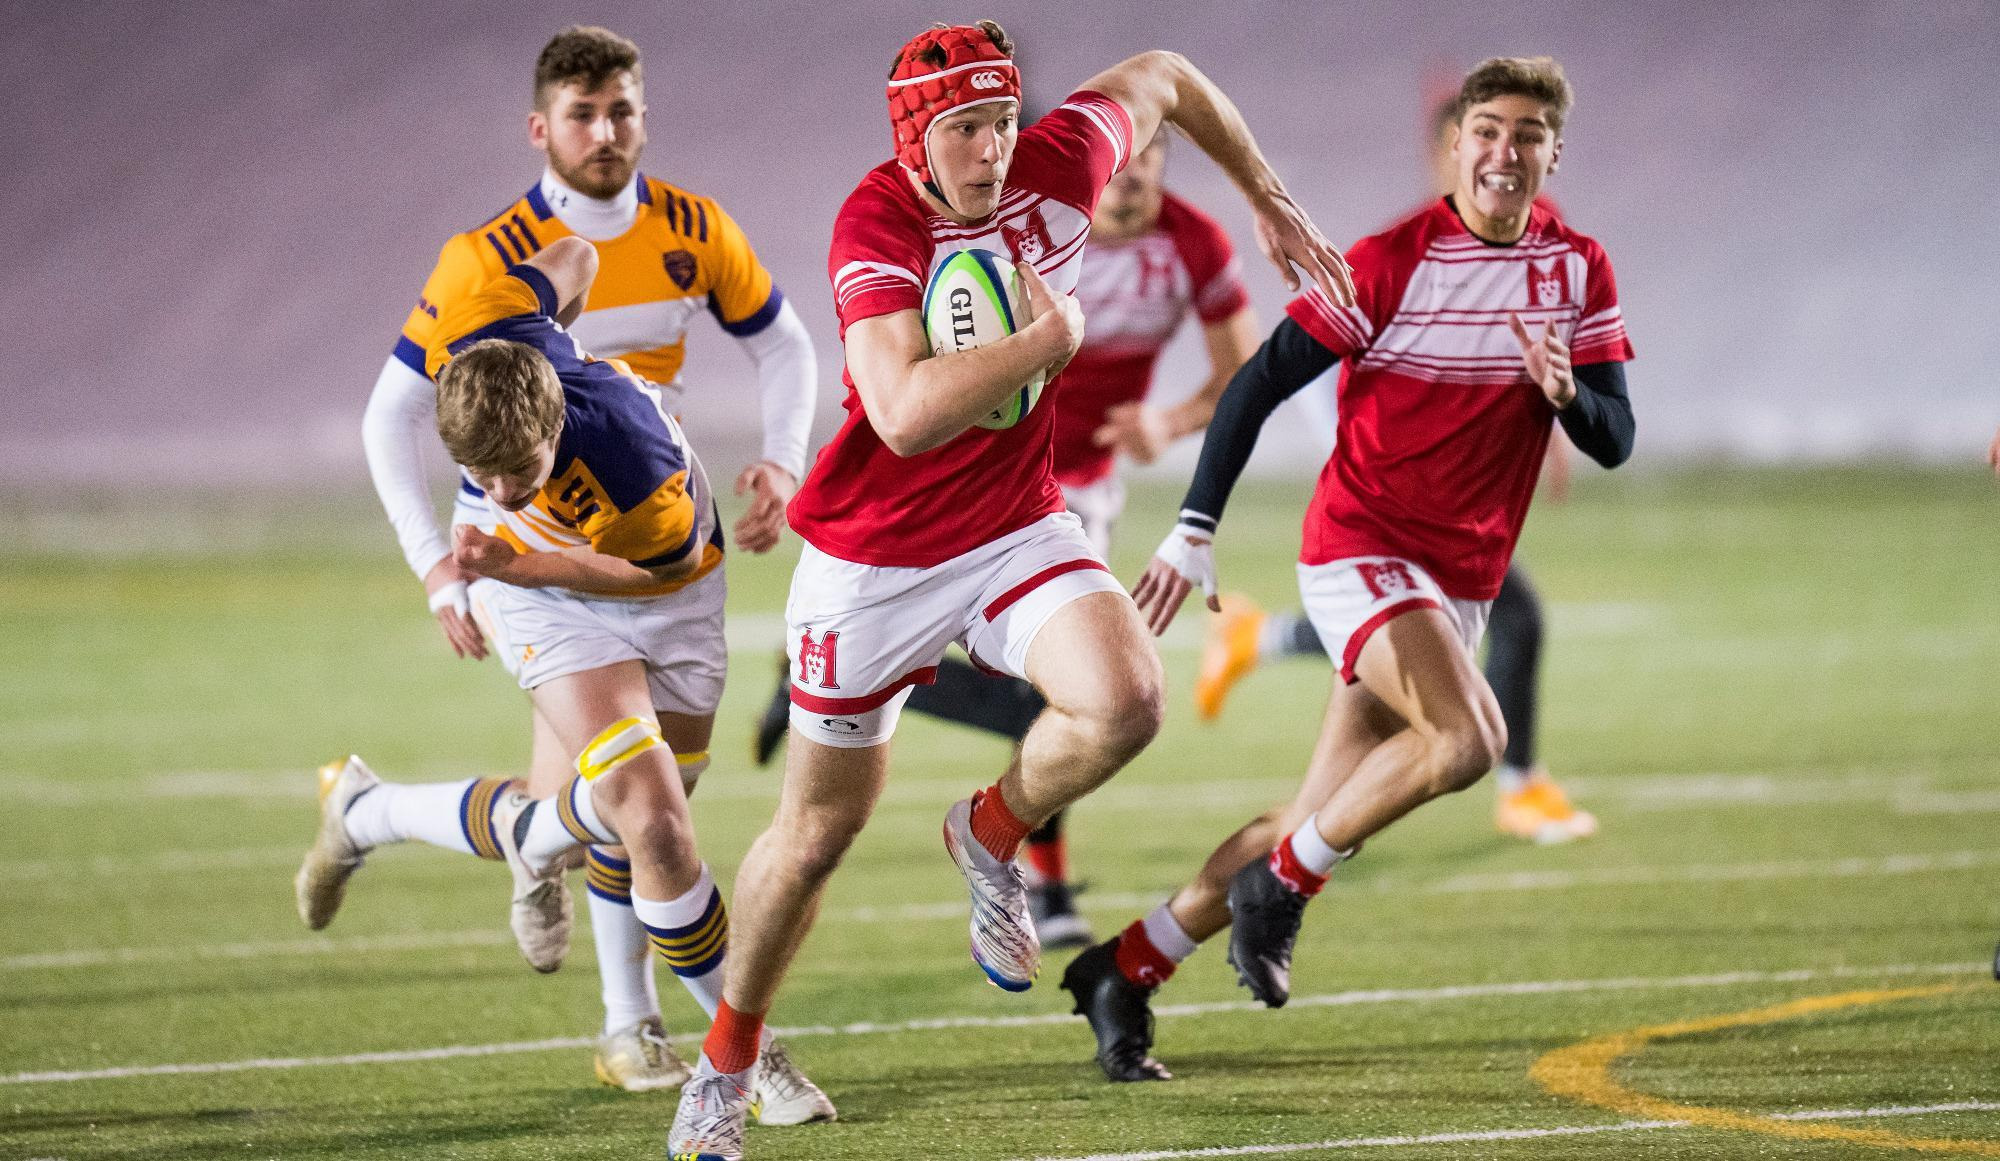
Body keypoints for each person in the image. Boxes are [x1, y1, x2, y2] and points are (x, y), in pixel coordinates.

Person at [668, 23, 1351, 1158]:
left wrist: (1267, 198)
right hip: (872, 559)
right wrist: (1052, 338)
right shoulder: (878, 221)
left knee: (1127, 696)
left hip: (1014, 525)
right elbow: (897, 411)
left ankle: (988, 830)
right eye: (962, 131)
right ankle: (723, 1067)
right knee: (817, 831)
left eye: (999, 121)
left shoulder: (1061, 160)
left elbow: (1169, 76)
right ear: (912, 139)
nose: (989, 152)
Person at [1065, 56, 1635, 1083]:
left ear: (1554, 151)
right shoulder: (1385, 262)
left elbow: (1615, 437)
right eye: (1487, 133)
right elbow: (1256, 383)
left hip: (1454, 582)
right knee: (1467, 741)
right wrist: (1192, 528)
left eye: (1528, 136)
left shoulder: (1575, 269)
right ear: (1454, 145)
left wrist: (1564, 396)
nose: (1505, 153)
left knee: (1313, 813)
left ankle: (1127, 965)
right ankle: (1280, 889)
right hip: (1359, 549)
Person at [302, 26, 826, 1106]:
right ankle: (686, 1040)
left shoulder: (685, 260)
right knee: (648, 810)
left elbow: (772, 359)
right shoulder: (485, 278)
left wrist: (779, 458)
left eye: (619, 110)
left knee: (629, 811)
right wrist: (449, 568)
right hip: (535, 569)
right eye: (579, 114)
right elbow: (395, 412)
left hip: (653, 547)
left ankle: (374, 813)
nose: (603, 132)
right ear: (540, 127)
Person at [744, 134, 1260, 948]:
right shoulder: (1038, 225)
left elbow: (1241, 365)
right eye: (1114, 172)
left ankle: (1012, 854)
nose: (1126, 187)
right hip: (975, 485)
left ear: (1163, 164)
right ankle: (1037, 879)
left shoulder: (1193, 242)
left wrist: (1172, 418)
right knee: (1055, 698)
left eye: (1146, 169)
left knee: (1098, 694)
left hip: (1071, 489)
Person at [1192, 92, 1596, 845]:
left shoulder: (1512, 246)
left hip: (1416, 484)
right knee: (1490, 621)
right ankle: (1517, 787)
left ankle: (1265, 656)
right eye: (1479, 138)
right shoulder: (1418, 251)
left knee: (1420, 627)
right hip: (1391, 476)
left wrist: (1557, 425)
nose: (1500, 159)